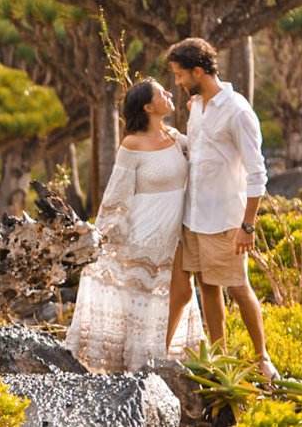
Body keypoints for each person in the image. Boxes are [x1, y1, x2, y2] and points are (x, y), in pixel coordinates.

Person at [65, 79, 201, 371]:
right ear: (148, 107)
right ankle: (135, 367)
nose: (169, 93)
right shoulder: (132, 144)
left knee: (179, 293)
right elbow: (117, 194)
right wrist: (104, 236)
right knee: (140, 299)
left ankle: (161, 359)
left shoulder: (176, 138)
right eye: (161, 92)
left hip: (174, 232)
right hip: (142, 234)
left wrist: (200, 110)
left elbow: (206, 154)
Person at [164, 37, 277, 381]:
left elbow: (258, 173)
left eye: (181, 75)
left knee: (238, 287)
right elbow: (197, 154)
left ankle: (263, 360)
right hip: (194, 216)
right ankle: (219, 359)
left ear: (199, 71)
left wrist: (247, 226)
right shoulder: (196, 106)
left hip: (226, 219)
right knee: (207, 286)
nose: (178, 83)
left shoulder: (238, 111)